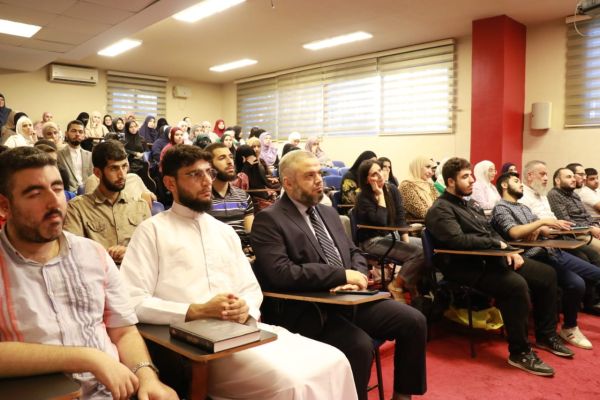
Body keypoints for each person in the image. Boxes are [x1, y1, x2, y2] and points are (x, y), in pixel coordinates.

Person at [119, 145, 357, 400]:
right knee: (292, 383)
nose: (207, 181)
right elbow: (133, 301)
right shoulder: (152, 231)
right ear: (170, 183)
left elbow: (250, 289)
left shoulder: (224, 231)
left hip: (244, 332)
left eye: (208, 172)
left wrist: (246, 309)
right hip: (193, 348)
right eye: (194, 174)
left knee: (336, 360)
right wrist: (195, 310)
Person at [0, 146, 177, 400]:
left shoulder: (93, 254)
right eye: (35, 193)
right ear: (4, 206)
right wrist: (87, 358)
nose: (54, 202)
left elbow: (123, 331)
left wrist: (147, 377)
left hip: (116, 392)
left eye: (57, 188)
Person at [251, 150, 427, 400]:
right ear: (287, 183)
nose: (319, 180)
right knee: (359, 346)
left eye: (319, 173)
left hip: (350, 299)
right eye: (309, 175)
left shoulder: (328, 213)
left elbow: (354, 252)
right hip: (310, 308)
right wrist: (340, 276)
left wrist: (358, 277)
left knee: (413, 321)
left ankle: (402, 396)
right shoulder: (269, 219)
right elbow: (280, 273)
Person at [425, 157, 569, 376]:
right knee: (516, 286)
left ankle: (546, 335)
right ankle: (519, 352)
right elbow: (457, 241)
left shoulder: (469, 204)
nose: (472, 180)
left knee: (547, 274)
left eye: (471, 175)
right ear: (450, 182)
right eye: (465, 177)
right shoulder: (440, 209)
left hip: (491, 258)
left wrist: (508, 249)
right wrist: (497, 245)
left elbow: (490, 231)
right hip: (465, 266)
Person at [492, 172, 599, 349]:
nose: (521, 184)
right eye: (516, 181)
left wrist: (550, 227)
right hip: (533, 255)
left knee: (595, 273)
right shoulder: (501, 208)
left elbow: (544, 231)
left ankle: (569, 325)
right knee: (576, 283)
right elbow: (514, 232)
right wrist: (540, 224)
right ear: (504, 185)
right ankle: (570, 327)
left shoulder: (524, 207)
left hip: (550, 250)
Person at [64, 140, 150, 264]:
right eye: (114, 168)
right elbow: (72, 253)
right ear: (97, 173)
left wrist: (130, 252)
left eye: (124, 166)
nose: (122, 175)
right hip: (97, 272)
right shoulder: (77, 208)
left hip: (136, 270)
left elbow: (151, 249)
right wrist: (106, 255)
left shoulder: (140, 205)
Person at [356, 159, 425, 301]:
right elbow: (380, 222)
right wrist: (380, 195)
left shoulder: (392, 189)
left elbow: (400, 216)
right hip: (371, 241)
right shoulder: (363, 197)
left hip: (393, 236)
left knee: (427, 247)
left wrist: (406, 241)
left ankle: (411, 284)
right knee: (419, 253)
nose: (380, 175)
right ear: (366, 180)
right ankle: (396, 285)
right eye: (374, 174)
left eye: (379, 170)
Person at [205, 142, 254, 248]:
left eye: (231, 157)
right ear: (209, 165)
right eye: (222, 158)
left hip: (242, 252)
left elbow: (250, 234)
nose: (230, 162)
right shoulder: (201, 198)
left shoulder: (243, 196)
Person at [547, 167, 600, 253]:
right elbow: (566, 222)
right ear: (558, 181)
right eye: (569, 177)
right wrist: (590, 229)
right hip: (577, 234)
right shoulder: (554, 194)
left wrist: (595, 226)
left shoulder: (574, 194)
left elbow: (586, 215)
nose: (574, 180)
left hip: (590, 230)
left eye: (573, 177)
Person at [56, 120, 93, 192]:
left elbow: (92, 177)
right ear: (66, 133)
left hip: (87, 192)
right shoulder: (58, 155)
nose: (77, 134)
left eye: (80, 132)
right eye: (73, 131)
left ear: (84, 135)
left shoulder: (89, 155)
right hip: (68, 193)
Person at [398, 156, 439, 220]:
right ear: (417, 167)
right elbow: (421, 212)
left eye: (431, 168)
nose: (430, 172)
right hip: (416, 224)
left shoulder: (430, 185)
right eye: (427, 167)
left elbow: (441, 206)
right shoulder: (406, 186)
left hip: (435, 222)